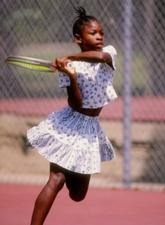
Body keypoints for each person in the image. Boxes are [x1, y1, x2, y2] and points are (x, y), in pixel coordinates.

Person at [27, 7, 117, 225]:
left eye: (101, 33)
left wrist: (69, 56)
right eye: (93, 33)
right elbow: (75, 104)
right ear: (78, 38)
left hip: (90, 130)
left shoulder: (109, 54)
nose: (99, 37)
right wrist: (71, 76)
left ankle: (70, 172)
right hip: (69, 125)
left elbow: (99, 56)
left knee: (78, 195)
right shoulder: (69, 68)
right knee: (56, 180)